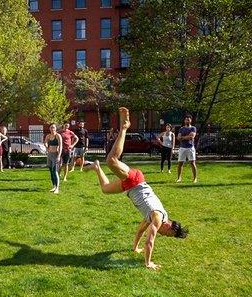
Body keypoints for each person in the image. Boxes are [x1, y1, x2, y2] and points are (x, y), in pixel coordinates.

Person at [85, 107, 188, 270]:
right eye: (168, 234)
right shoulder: (158, 218)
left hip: (132, 187)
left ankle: (96, 167)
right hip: (135, 181)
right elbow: (150, 240)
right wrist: (148, 263)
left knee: (105, 189)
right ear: (170, 227)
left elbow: (140, 231)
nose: (164, 235)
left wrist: (134, 248)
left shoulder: (155, 217)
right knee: (111, 160)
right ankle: (125, 127)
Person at [176, 114, 197, 183]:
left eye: (188, 119)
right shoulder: (181, 129)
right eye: (186, 119)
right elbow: (178, 138)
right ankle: (179, 178)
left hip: (190, 148)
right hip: (182, 148)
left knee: (192, 163)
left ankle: (195, 178)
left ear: (191, 120)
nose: (187, 120)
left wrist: (183, 137)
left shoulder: (193, 128)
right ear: (184, 121)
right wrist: (185, 137)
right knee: (180, 163)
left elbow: (191, 136)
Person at [44, 124, 62, 194]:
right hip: (49, 155)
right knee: (51, 171)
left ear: (56, 128)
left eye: (53, 127)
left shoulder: (58, 136)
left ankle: (57, 188)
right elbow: (45, 141)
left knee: (55, 171)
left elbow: (60, 147)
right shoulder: (48, 136)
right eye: (51, 127)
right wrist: (46, 145)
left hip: (55, 155)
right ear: (49, 128)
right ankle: (54, 186)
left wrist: (59, 156)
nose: (52, 129)